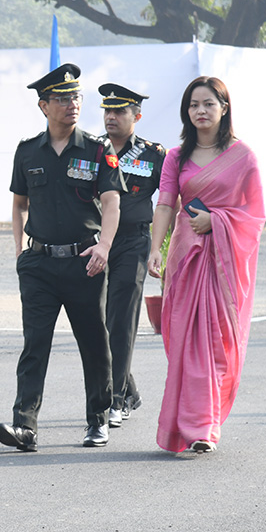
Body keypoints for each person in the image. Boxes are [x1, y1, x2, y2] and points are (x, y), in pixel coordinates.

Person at [0, 63, 123, 452]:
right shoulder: (27, 151)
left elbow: (113, 202)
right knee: (35, 344)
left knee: (92, 341)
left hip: (84, 261)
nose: (72, 104)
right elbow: (18, 204)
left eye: (76, 97)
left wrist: (103, 246)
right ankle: (25, 426)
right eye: (63, 99)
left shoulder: (98, 149)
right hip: (38, 265)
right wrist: (19, 250)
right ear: (43, 105)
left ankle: (98, 418)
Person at [149, 76, 264, 454]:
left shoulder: (243, 156)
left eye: (208, 104)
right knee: (184, 342)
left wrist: (218, 221)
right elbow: (166, 204)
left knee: (215, 342)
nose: (200, 111)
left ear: (224, 108)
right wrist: (156, 251)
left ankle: (204, 427)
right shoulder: (175, 157)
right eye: (194, 105)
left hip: (223, 264)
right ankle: (187, 426)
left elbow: (254, 214)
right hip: (185, 259)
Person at [98, 83, 166, 429]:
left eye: (119, 111)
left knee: (122, 320)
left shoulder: (154, 155)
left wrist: (160, 249)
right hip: (95, 243)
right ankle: (129, 389)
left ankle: (116, 398)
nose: (111, 117)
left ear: (136, 116)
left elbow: (170, 205)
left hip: (133, 243)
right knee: (99, 322)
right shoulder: (91, 150)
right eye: (107, 111)